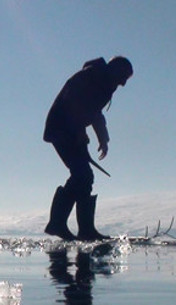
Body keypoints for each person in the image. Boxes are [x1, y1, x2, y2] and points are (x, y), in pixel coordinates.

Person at [43, 56, 133, 241]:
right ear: (115, 69)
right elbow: (73, 104)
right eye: (124, 77)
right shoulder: (90, 77)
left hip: (70, 131)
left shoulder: (104, 83)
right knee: (82, 174)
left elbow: (94, 113)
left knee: (84, 176)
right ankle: (58, 224)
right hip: (61, 129)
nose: (123, 83)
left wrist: (103, 139)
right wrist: (79, 131)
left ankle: (84, 229)